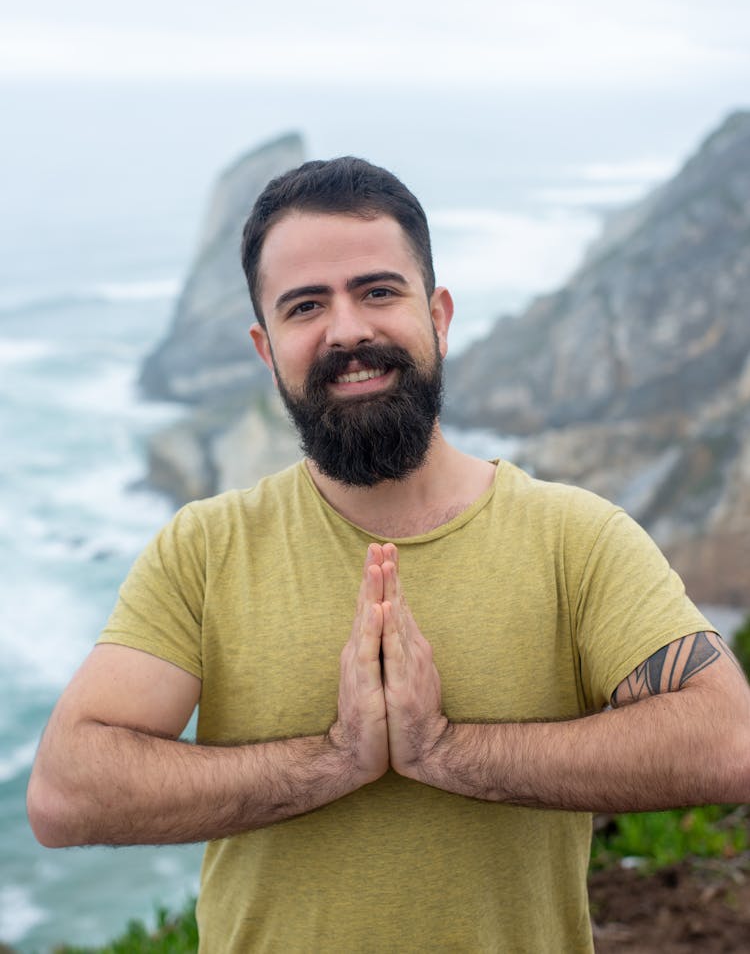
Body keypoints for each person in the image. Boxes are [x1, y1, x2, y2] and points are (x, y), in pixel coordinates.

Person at [28, 156, 750, 952]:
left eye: (378, 291)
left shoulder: (575, 538)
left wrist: (447, 752)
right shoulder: (206, 547)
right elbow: (65, 791)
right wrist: (334, 762)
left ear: (438, 314)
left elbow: (727, 740)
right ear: (266, 349)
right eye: (306, 306)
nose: (348, 330)